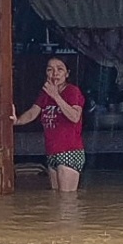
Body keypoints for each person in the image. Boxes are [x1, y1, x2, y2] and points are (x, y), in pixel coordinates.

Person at [12, 57, 85, 192]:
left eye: (60, 69)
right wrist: (17, 121)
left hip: (69, 151)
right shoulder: (45, 94)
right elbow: (33, 112)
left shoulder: (72, 91)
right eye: (50, 69)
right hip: (52, 152)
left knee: (66, 201)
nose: (54, 73)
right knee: (56, 198)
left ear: (67, 73)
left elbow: (75, 117)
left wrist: (56, 96)